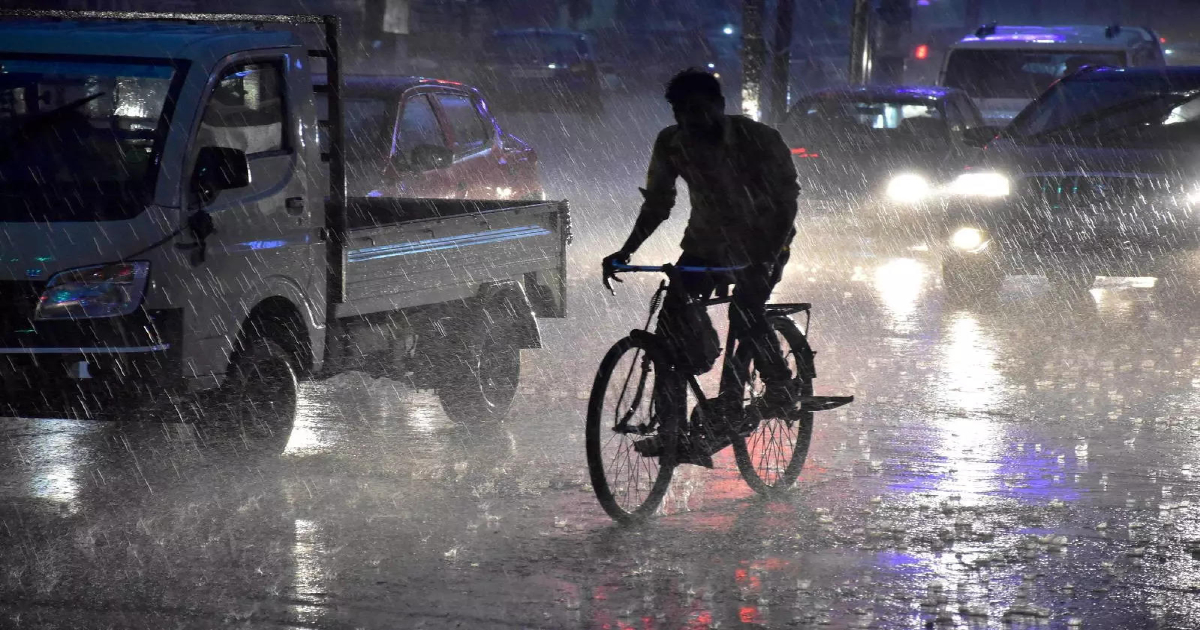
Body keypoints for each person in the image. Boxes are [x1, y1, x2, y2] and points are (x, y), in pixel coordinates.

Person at [602, 68, 801, 453]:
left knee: (745, 311)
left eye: (698, 110)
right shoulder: (672, 143)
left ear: (720, 107)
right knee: (671, 328)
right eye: (681, 112)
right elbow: (659, 203)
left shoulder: (758, 139)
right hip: (705, 245)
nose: (690, 120)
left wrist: (765, 257)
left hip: (763, 244)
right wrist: (626, 251)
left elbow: (786, 202)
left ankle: (778, 385)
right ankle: (671, 428)